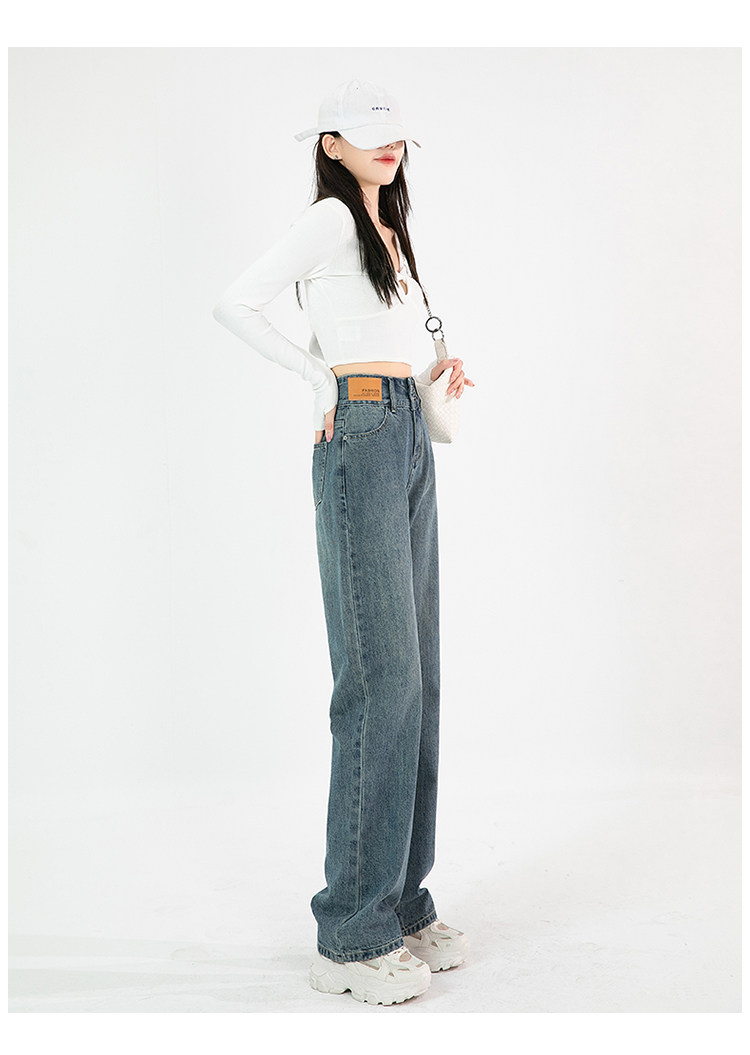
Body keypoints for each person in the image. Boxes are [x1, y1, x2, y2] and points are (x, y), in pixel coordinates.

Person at [212, 79, 474, 1006]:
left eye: (395, 134)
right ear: (330, 144)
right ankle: (351, 934)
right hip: (359, 428)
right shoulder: (329, 219)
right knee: (380, 677)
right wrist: (318, 376)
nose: (388, 147)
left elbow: (377, 330)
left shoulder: (385, 222)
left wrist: (427, 374)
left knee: (419, 676)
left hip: (403, 424)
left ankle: (400, 901)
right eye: (368, 135)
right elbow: (235, 302)